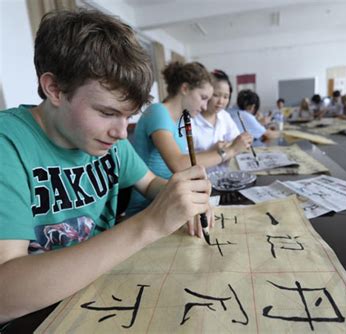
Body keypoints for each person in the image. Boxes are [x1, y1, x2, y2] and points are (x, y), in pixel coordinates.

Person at [0, 9, 212, 323]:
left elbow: (150, 182)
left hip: (100, 297)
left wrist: (181, 196)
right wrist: (149, 224)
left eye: (128, 115)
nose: (120, 130)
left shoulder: (108, 143)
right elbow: (6, 295)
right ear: (55, 89)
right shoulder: (9, 145)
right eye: (106, 112)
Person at [126, 61, 234, 215]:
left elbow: (186, 160)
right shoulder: (158, 112)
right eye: (203, 97)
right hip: (148, 206)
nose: (205, 106)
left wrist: (212, 150)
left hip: (169, 200)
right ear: (185, 88)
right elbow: (178, 164)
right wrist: (228, 153)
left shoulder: (181, 121)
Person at [191, 69, 253, 172]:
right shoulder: (191, 120)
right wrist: (213, 151)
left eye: (226, 97)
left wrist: (239, 143)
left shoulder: (224, 116)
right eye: (216, 95)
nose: (221, 101)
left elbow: (236, 141)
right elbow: (184, 162)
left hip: (223, 177)